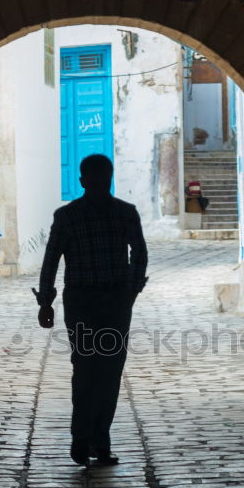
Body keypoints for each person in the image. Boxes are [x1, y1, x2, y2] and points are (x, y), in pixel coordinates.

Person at [33, 154, 148, 466]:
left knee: (106, 373)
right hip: (87, 304)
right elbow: (51, 260)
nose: (98, 187)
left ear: (109, 179)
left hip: (109, 302)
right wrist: (45, 301)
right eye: (93, 182)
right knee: (88, 372)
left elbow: (140, 253)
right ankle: (84, 437)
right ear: (83, 182)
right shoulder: (70, 217)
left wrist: (131, 291)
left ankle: (97, 439)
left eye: (102, 181)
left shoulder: (123, 214)